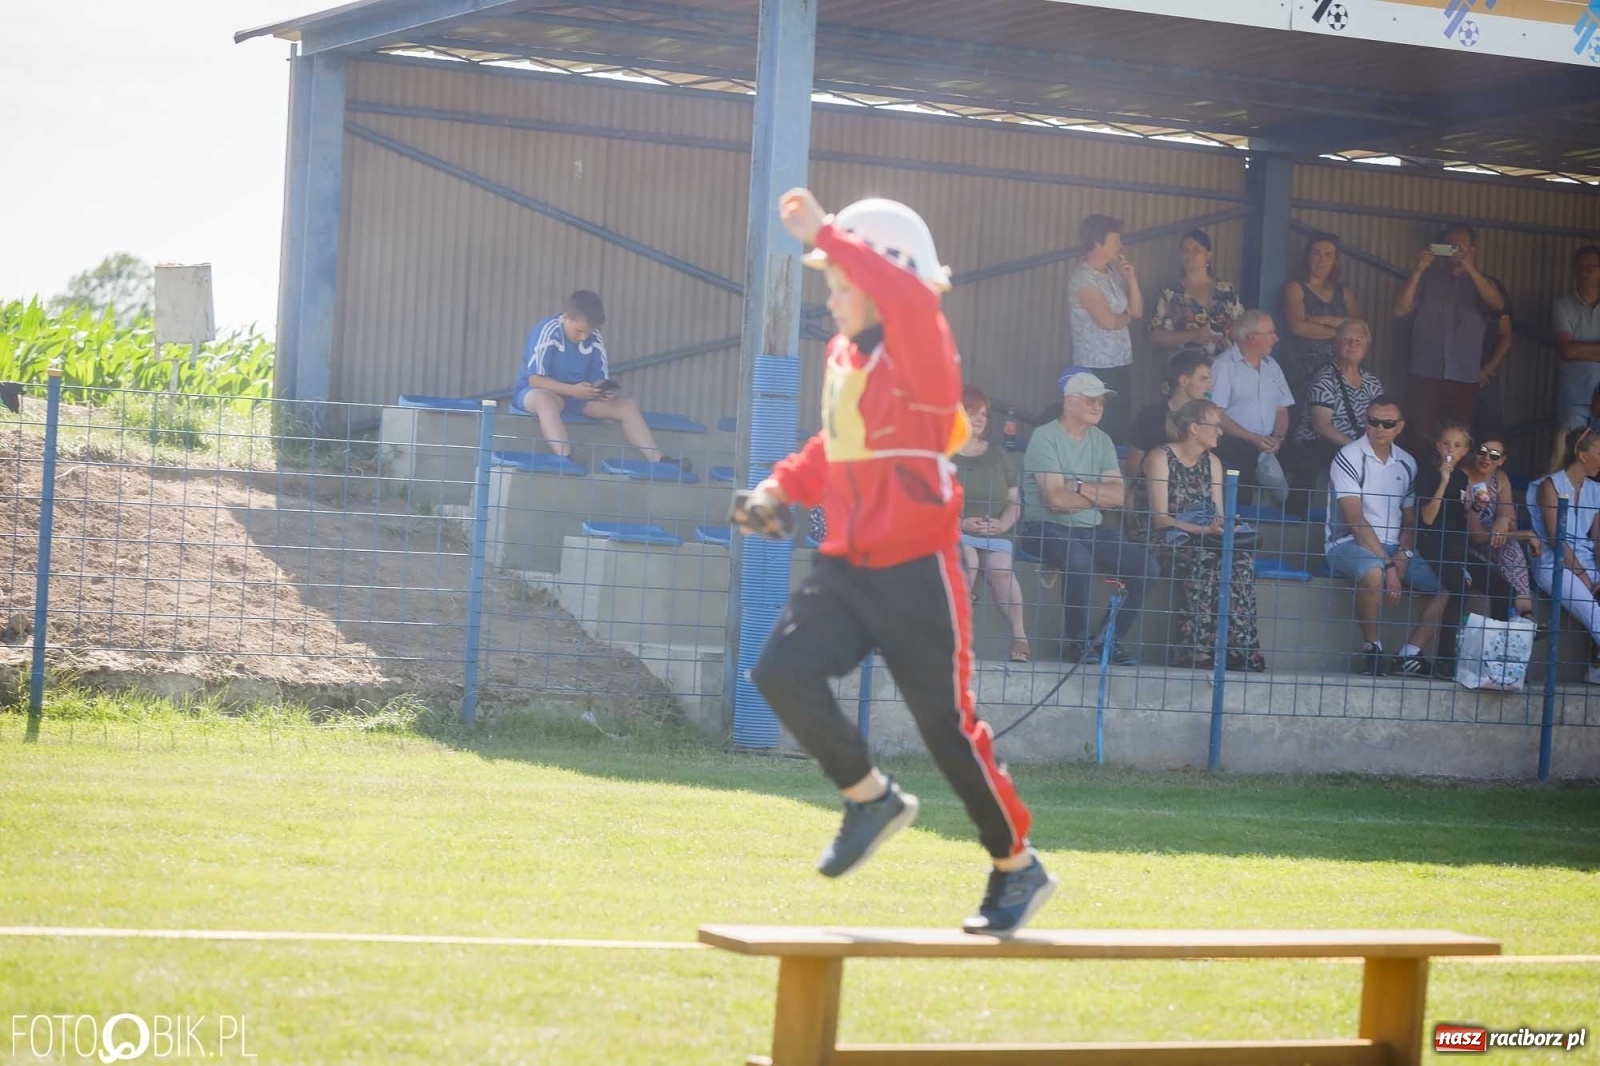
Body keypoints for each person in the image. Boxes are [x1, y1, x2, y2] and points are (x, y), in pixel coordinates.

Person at [736, 188, 1055, 937]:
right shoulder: (843, 355)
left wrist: (826, 232)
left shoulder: (923, 340)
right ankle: (869, 798)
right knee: (778, 672)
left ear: (884, 279)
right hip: (847, 564)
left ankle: (1016, 865)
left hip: (917, 569)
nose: (831, 296)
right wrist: (778, 488)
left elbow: (908, 295)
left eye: (841, 282)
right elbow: (832, 448)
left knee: (947, 729)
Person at [1017, 372, 1160, 666]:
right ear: (1070, 402)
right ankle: (1078, 641)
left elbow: (1118, 496)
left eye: (1101, 402)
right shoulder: (1045, 436)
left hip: (1090, 528)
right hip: (1043, 528)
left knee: (1146, 567)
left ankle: (1107, 641)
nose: (1098, 407)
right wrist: (1096, 495)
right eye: (1091, 400)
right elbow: (1055, 501)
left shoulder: (1102, 440)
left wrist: (1078, 486)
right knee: (1078, 558)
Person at [1323, 396, 1450, 676]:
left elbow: (1410, 520)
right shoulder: (1348, 456)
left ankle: (1409, 655)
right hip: (1346, 543)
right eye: (1373, 421)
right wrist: (1389, 564)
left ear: (1400, 427)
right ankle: (1373, 650)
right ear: (1365, 421)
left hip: (1393, 548)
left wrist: (1403, 553)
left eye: (1388, 423)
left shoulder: (1407, 462)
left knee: (1445, 588)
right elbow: (1355, 522)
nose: (1380, 428)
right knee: (1374, 572)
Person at [1143, 399, 1266, 672]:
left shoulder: (1213, 462)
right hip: (1169, 538)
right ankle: (1194, 650)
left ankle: (1239, 648)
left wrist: (1225, 527)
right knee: (1206, 562)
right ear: (1194, 428)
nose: (1220, 432)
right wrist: (1204, 530)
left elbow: (1217, 513)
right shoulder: (1160, 457)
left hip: (1205, 536)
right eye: (1215, 426)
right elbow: (1160, 519)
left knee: (1242, 563)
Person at [1391, 224, 1510, 452]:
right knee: (1419, 436)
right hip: (1424, 372)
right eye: (1448, 246)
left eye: (1459, 247)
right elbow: (1400, 309)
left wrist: (1470, 268)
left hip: (1464, 376)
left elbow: (1497, 304)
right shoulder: (1427, 280)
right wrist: (1418, 270)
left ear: (1473, 249)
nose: (1453, 251)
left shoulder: (1486, 284)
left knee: (1459, 439)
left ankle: (1452, 476)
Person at [514, 290, 668, 463]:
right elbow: (534, 379)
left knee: (627, 405)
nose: (584, 337)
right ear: (566, 317)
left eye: (590, 331)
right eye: (579, 331)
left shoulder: (594, 338)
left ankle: (659, 460)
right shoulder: (548, 330)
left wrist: (602, 391)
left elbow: (598, 378)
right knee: (544, 400)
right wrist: (572, 390)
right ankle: (566, 457)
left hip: (578, 396)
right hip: (537, 392)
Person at [1413, 422, 1518, 676]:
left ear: (1465, 451)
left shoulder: (1463, 479)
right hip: (1432, 545)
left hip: (1457, 548)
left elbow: (1461, 517)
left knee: (1502, 587)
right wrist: (1443, 481)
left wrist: (1476, 507)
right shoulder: (1427, 473)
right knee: (1459, 587)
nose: (1451, 449)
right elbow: (1427, 518)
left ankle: (1496, 658)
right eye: (1446, 443)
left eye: (1457, 445)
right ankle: (1445, 661)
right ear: (1438, 446)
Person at [954, 386, 1031, 664]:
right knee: (969, 559)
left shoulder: (998, 455)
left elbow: (1014, 501)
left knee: (1001, 570)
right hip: (951, 532)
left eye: (984, 414)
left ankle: (1020, 637)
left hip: (994, 532)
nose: (980, 418)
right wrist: (960, 523)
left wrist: (1002, 524)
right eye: (972, 411)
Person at [1284, 320, 1385, 510]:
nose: (1352, 345)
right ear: (1336, 344)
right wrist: (1357, 447)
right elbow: (1322, 426)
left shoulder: (1372, 383)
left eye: (1358, 341)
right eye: (1347, 340)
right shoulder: (1325, 378)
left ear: (1366, 347)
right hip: (1322, 443)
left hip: (1359, 443)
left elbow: (1381, 420)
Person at [1529, 426, 1600, 685]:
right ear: (1582, 455)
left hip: (1587, 562)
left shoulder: (1596, 489)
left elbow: (1599, 540)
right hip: (1554, 564)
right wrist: (1585, 577)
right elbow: (1556, 541)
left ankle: (1596, 669)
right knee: (1594, 613)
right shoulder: (1550, 485)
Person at [1067, 214, 1144, 437]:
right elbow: (1108, 321)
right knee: (1100, 425)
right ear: (1097, 242)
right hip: (1096, 366)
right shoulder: (1083, 279)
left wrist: (1131, 279)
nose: (1120, 246)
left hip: (1119, 361)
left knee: (1119, 422)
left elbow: (1137, 310)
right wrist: (1127, 316)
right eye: (1115, 240)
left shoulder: (1110, 273)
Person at [1210, 310, 1294, 509]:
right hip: (1232, 439)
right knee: (1245, 456)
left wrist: (1278, 438)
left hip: (1270, 440)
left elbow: (1282, 411)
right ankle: (1240, 517)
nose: (1276, 338)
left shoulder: (1272, 366)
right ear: (1252, 338)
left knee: (1306, 460)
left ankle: (1295, 517)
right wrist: (1251, 438)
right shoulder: (1223, 365)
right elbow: (1216, 413)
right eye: (1270, 333)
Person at [1460, 436, 1540, 623]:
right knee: (1507, 547)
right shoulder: (1462, 477)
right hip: (1465, 543)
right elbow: (1476, 537)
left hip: (1492, 542)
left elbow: (1510, 520)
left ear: (1502, 460)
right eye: (1482, 451)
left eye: (1494, 455)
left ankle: (1526, 615)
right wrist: (1526, 534)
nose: (1486, 458)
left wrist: (1503, 520)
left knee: (1510, 548)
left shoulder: (1500, 479)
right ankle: (1522, 616)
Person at [1280, 232, 1363, 392]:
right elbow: (1298, 326)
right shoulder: (1295, 287)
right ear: (1307, 257)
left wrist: (1323, 320)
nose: (1322, 260)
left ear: (1335, 261)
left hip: (1340, 369)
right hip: (1304, 371)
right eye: (1316, 253)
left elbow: (1358, 326)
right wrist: (1340, 333)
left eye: (1328, 255)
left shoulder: (1344, 292)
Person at [1146, 229, 1244, 357]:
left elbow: (1241, 326)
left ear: (1208, 256)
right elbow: (1154, 336)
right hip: (1187, 365)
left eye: (1196, 250)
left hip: (1225, 364)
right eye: (1185, 250)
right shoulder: (1170, 293)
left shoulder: (1225, 289)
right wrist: (1192, 336)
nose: (1190, 254)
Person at [1548, 245, 1600, 471]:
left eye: (1592, 267)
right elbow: (1567, 351)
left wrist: (1580, 348)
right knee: (1570, 455)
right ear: (1573, 270)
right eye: (1581, 267)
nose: (1586, 272)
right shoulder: (1563, 305)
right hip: (1574, 395)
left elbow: (1573, 350)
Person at [1126, 346, 1213, 476]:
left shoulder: (1207, 419)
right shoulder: (1149, 416)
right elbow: (1132, 466)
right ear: (1184, 380)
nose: (1209, 386)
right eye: (1203, 379)